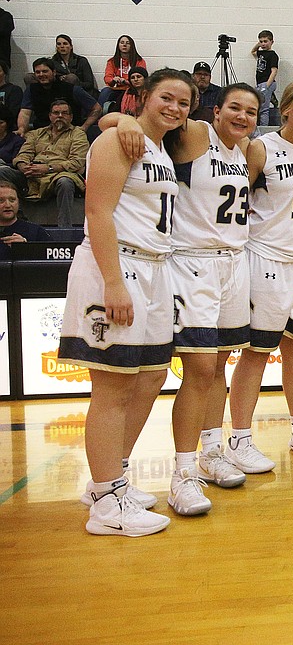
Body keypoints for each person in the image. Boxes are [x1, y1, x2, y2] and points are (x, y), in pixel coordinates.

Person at [102, 83, 262, 514]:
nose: (241, 117)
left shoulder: (247, 150)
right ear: (215, 109)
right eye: (234, 108)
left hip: (234, 262)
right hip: (191, 262)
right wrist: (117, 119)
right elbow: (136, 126)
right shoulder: (193, 135)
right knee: (199, 366)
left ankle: (211, 450)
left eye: (250, 111)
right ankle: (182, 474)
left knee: (218, 364)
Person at [57, 68, 194, 537]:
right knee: (112, 386)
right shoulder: (118, 141)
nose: (174, 108)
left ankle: (108, 478)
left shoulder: (155, 146)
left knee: (153, 374)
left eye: (183, 102)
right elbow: (97, 211)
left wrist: (118, 119)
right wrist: (114, 284)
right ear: (144, 97)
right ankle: (107, 502)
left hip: (156, 269)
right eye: (166, 98)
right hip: (118, 268)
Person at [225, 79, 293, 472]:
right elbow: (238, 199)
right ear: (285, 108)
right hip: (268, 260)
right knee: (256, 352)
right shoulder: (260, 148)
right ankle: (239, 437)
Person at [14, 100, 88, 227]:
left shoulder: (78, 134)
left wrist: (47, 168)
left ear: (71, 117)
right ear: (50, 116)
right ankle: (14, 222)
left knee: (65, 182)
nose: (60, 116)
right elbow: (23, 154)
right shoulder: (36, 133)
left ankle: (65, 229)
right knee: (3, 172)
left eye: (64, 113)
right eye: (56, 113)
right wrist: (23, 166)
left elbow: (76, 163)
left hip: (59, 175)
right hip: (32, 174)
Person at [19, 58, 99, 135]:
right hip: (41, 134)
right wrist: (21, 129)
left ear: (54, 72)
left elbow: (97, 109)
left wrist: (84, 128)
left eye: (45, 71)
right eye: (38, 72)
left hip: (69, 134)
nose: (41, 74)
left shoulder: (71, 89)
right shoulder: (31, 90)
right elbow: (25, 113)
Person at [0, 178, 50, 260]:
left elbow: (51, 263)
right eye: (1, 201)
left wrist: (26, 248)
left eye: (12, 200)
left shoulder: (36, 232)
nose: (8, 205)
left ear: (18, 202)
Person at [98, 35, 147, 110]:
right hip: (116, 89)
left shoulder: (139, 61)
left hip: (131, 89)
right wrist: (113, 80)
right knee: (105, 91)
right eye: (122, 42)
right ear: (118, 45)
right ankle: (98, 114)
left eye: (127, 43)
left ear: (132, 46)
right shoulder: (112, 61)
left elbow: (143, 79)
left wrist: (126, 81)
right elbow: (107, 77)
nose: (124, 45)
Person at [252, 30, 280, 125]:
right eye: (261, 41)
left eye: (265, 41)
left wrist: (267, 85)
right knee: (258, 105)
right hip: (259, 83)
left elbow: (274, 71)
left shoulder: (273, 55)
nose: (263, 44)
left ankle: (263, 128)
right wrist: (258, 45)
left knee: (264, 109)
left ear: (272, 42)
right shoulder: (261, 53)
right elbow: (253, 52)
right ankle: (272, 97)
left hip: (267, 83)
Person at [0, 114, 25, 194]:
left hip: (14, 172)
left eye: (0, 123)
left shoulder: (17, 141)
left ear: (7, 124)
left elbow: (17, 163)